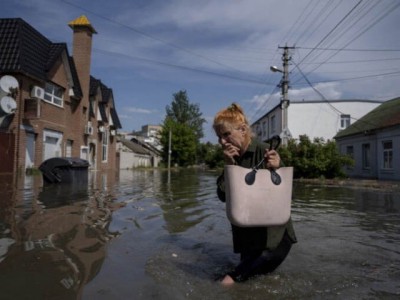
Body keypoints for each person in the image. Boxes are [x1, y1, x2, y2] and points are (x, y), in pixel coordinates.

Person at [213, 103, 297, 285]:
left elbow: (290, 196)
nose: (222, 142)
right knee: (253, 285)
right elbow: (223, 196)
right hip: (248, 239)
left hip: (274, 240)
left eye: (226, 135)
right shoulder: (232, 157)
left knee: (228, 282)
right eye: (219, 137)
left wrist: (278, 167)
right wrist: (229, 166)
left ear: (243, 130)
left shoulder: (264, 150)